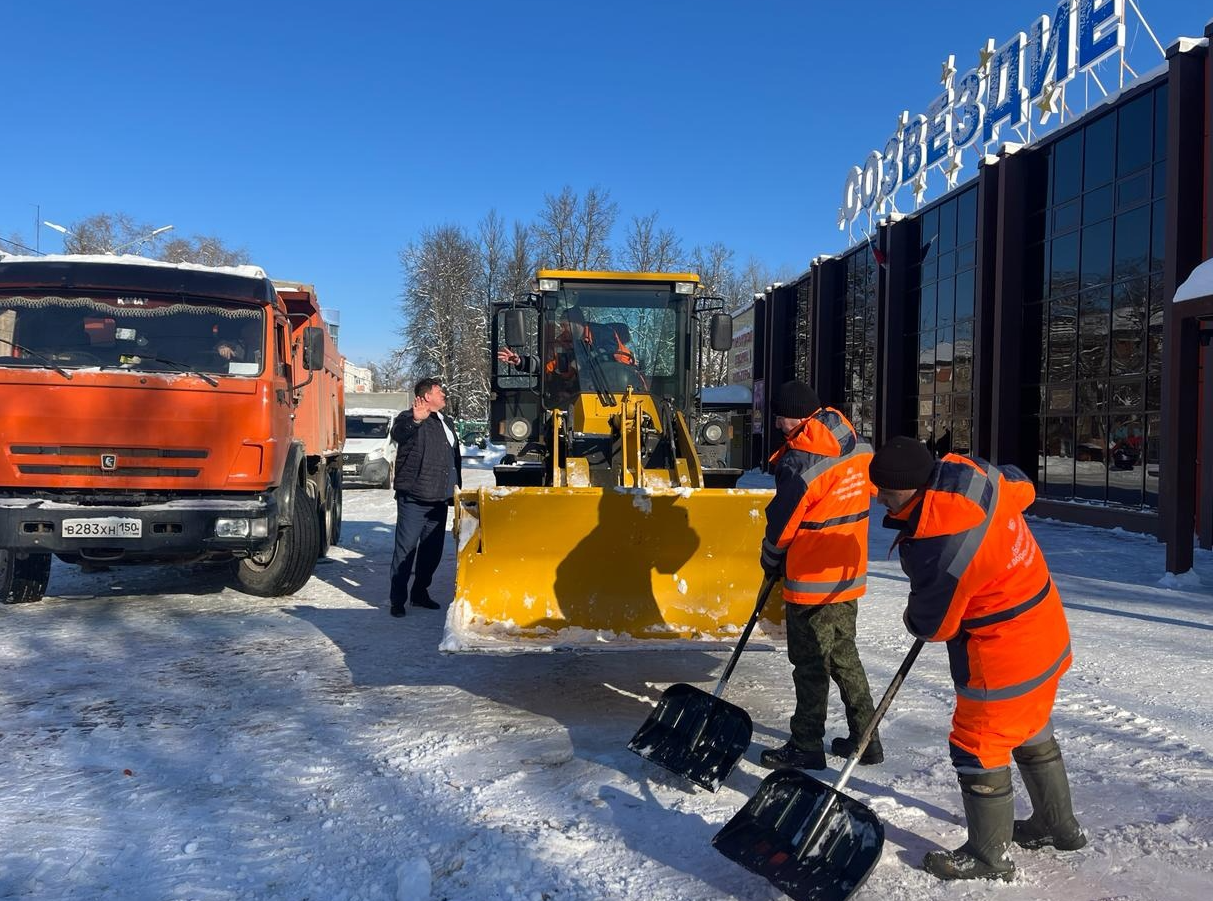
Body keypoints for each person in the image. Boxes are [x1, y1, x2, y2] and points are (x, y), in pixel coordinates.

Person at [870, 436, 1085, 882]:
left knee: (977, 744)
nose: (880, 500)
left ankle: (990, 856)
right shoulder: (972, 475)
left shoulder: (941, 545)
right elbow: (1022, 486)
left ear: (910, 489)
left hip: (1003, 651)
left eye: (886, 493)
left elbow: (935, 626)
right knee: (1030, 725)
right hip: (1044, 628)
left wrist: (915, 616)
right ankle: (1058, 827)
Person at [757, 380, 881, 771]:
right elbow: (871, 490)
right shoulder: (858, 447)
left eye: (779, 416)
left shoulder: (801, 461)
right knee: (845, 656)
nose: (777, 424)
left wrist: (770, 559)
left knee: (811, 664)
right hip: (847, 572)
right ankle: (866, 739)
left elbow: (783, 523)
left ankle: (806, 744)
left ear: (794, 415)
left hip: (811, 579)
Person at [388, 378, 462, 617]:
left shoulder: (446, 422)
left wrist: (455, 490)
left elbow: (453, 459)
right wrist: (416, 420)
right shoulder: (408, 417)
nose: (444, 395)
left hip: (439, 500)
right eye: (440, 391)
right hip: (415, 499)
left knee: (432, 553)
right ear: (427, 396)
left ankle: (420, 593)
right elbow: (399, 434)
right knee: (406, 551)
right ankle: (397, 600)